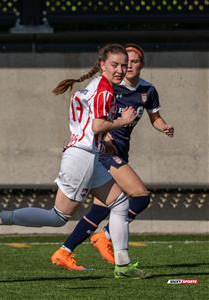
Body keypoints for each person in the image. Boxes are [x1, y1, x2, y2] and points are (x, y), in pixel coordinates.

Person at [0, 44, 150, 278]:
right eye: (115, 65)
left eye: (124, 66)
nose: (120, 70)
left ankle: (123, 265)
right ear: (102, 65)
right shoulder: (105, 90)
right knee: (58, 217)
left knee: (119, 203)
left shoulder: (96, 85)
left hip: (86, 154)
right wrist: (122, 121)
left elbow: (91, 125)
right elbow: (97, 125)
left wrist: (101, 138)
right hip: (83, 157)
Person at [53, 43, 174, 270]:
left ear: (140, 65)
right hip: (105, 153)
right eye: (120, 63)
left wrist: (164, 126)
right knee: (140, 196)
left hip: (120, 152)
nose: (126, 67)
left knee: (101, 208)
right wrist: (106, 135)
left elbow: (155, 117)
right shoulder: (110, 87)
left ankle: (64, 251)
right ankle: (107, 237)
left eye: (133, 62)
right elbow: (96, 120)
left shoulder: (147, 91)